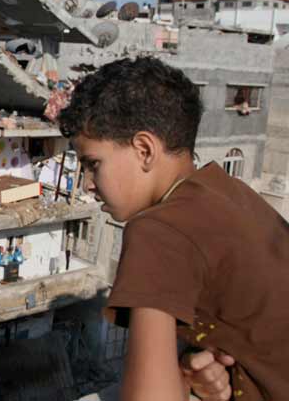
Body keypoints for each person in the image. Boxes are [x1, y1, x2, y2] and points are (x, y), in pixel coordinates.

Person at [58, 57, 289, 400]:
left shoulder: (157, 230)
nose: (88, 184)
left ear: (145, 150)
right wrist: (188, 367)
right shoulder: (228, 192)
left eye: (93, 164)